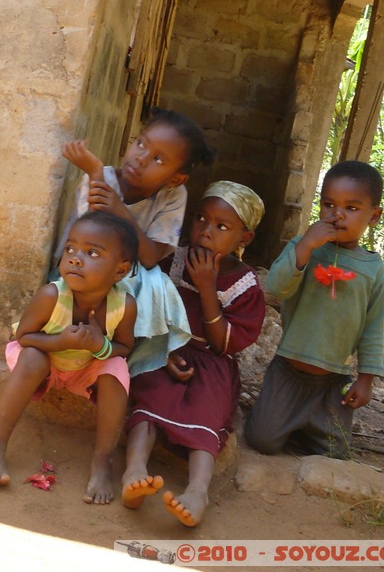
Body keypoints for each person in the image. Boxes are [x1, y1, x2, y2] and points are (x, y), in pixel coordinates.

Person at [121, 181, 266, 527]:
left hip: (213, 362)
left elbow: (221, 344)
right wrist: (161, 349)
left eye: (222, 226)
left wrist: (206, 287)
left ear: (244, 239)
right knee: (149, 398)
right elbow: (149, 306)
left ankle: (197, 491)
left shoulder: (245, 284)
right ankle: (134, 470)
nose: (206, 231)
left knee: (207, 411)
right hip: (166, 349)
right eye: (201, 218)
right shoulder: (173, 259)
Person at [0, 211, 138, 505]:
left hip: (86, 368)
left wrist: (100, 346)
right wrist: (59, 341)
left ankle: (102, 460)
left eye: (91, 252)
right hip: (46, 363)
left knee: (116, 368)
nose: (75, 258)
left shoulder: (125, 306)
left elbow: (125, 346)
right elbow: (24, 337)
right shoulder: (51, 295)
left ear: (120, 270)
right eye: (70, 248)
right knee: (33, 358)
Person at [53, 107, 216, 377]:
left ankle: (137, 360)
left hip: (125, 276)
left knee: (156, 281)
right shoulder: (100, 179)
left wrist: (120, 209)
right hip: (80, 268)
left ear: (176, 179)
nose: (141, 159)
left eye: (158, 159)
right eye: (141, 144)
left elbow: (151, 256)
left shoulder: (173, 196)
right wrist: (95, 172)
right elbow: (90, 242)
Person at [245, 160, 384, 460]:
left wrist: (366, 379)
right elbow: (278, 287)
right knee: (262, 441)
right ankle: (287, 421)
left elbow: (373, 326)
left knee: (337, 453)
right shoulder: (304, 247)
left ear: (374, 216)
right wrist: (305, 247)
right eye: (328, 204)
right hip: (288, 370)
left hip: (333, 381)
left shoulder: (374, 269)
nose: (337, 214)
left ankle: (304, 424)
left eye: (351, 207)